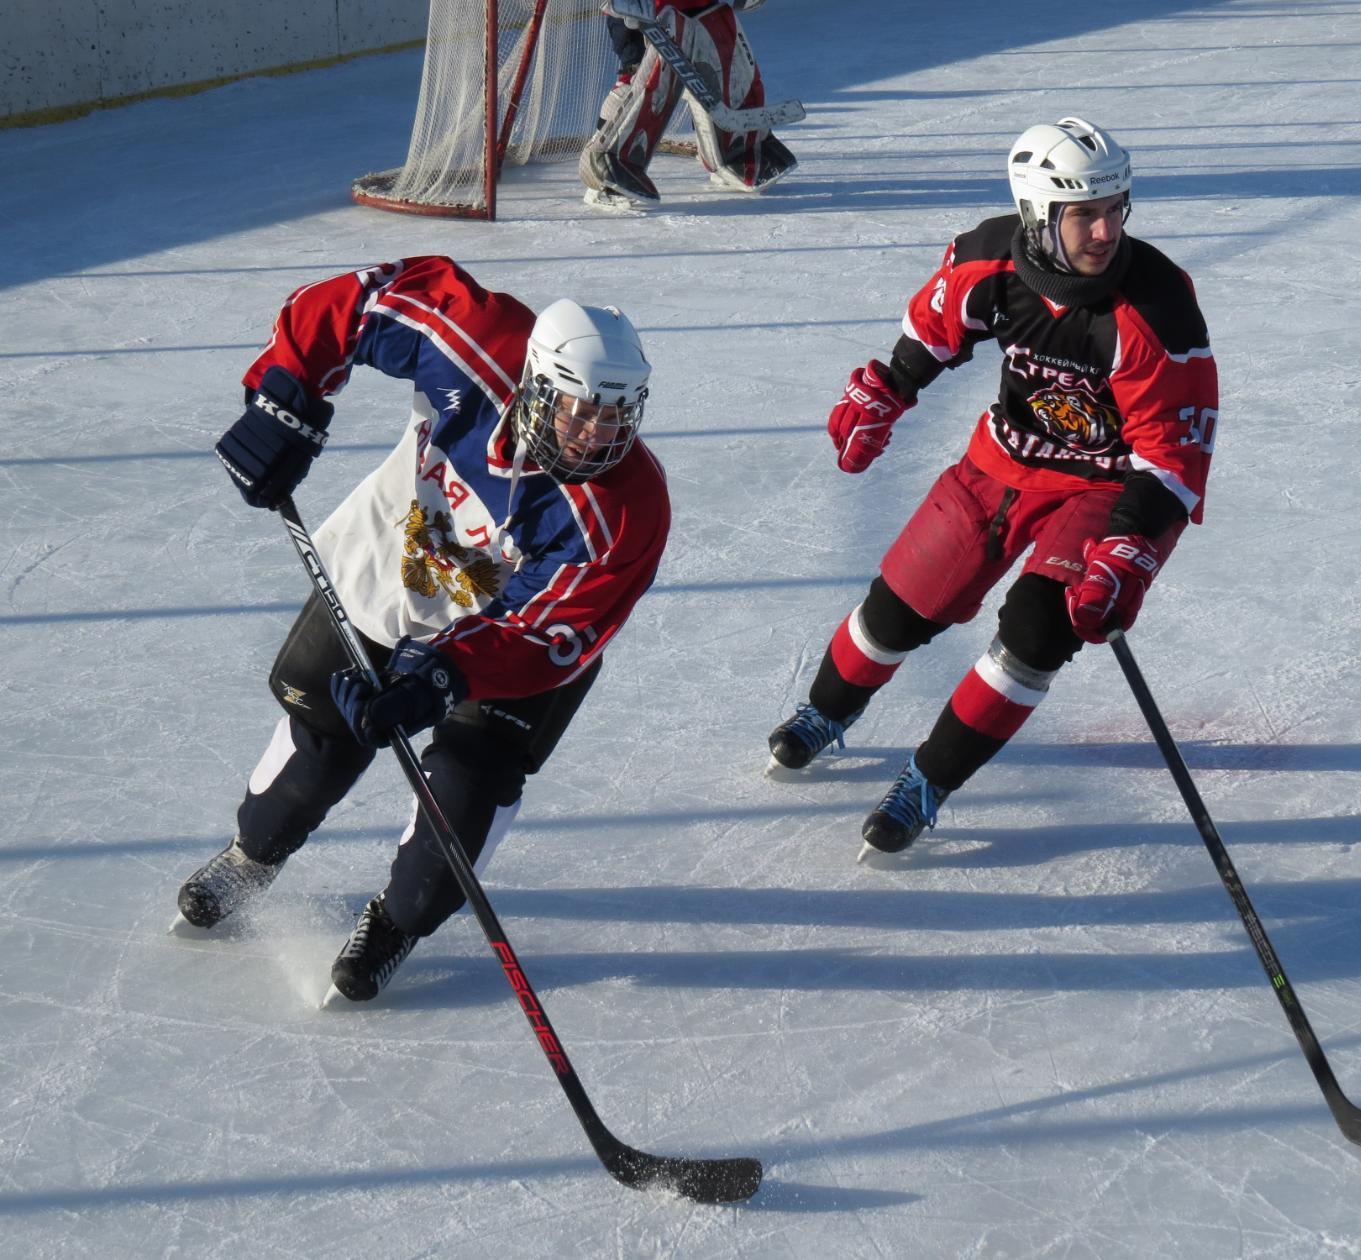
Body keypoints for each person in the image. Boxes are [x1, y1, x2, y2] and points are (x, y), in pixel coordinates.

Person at [175, 255, 670, 1004]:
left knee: (461, 804)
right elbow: (348, 305)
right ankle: (251, 857)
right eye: (578, 409)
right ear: (536, 385)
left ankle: (399, 922)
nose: (595, 434)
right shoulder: (476, 339)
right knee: (317, 749)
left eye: (615, 414)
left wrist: (441, 674)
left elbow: (549, 628)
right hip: (390, 569)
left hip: (505, 651)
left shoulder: (628, 507)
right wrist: (285, 396)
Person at [766, 117, 1220, 858]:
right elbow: (935, 329)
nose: (1106, 230)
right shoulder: (989, 261)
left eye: (1116, 208)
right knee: (898, 612)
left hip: (1108, 486)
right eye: (1084, 214)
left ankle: (928, 780)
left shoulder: (1156, 307)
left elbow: (1172, 452)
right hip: (1002, 462)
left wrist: (1129, 546)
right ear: (1039, 215)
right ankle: (823, 713)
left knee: (1040, 632)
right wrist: (888, 387)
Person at [580, 0, 796, 209]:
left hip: (698, 5)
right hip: (646, 11)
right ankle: (604, 171)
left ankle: (733, 152)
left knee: (719, 67)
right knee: (642, 80)